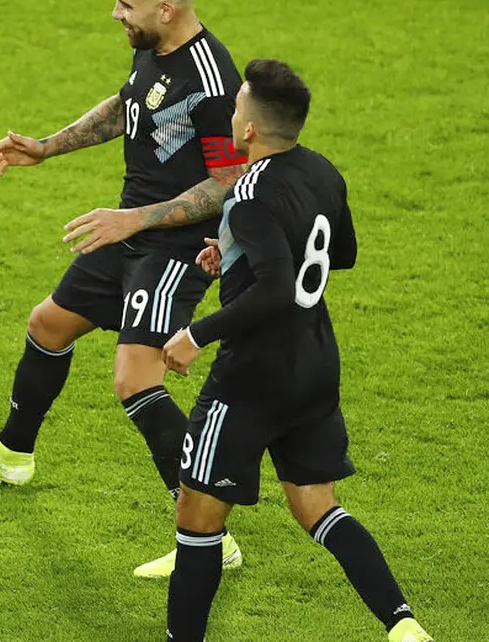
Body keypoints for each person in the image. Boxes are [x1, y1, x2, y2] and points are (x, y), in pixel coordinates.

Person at [0, 0, 246, 576]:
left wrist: (137, 218)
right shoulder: (154, 53)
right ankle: (14, 455)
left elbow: (227, 183)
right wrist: (46, 147)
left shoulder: (213, 81)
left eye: (126, 4)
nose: (115, 14)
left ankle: (214, 540)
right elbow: (127, 107)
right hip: (125, 233)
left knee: (136, 380)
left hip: (176, 249)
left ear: (167, 7)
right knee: (48, 324)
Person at [159, 59, 432, 642]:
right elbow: (342, 251)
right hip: (313, 367)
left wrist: (194, 334)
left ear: (250, 128)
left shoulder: (251, 191)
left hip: (251, 378)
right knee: (318, 509)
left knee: (197, 518)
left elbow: (278, 288)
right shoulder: (323, 171)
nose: (232, 114)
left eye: (236, 107)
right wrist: (234, 249)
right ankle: (402, 625)